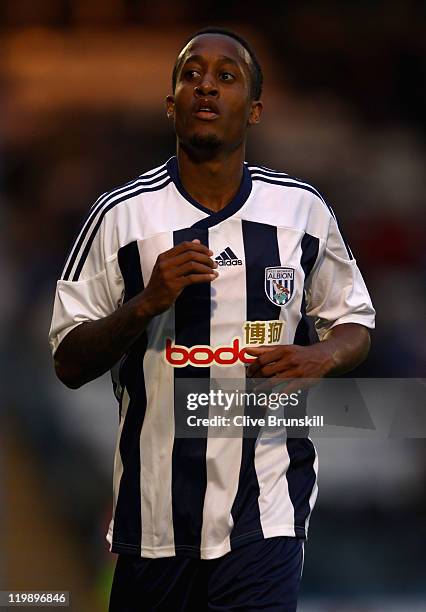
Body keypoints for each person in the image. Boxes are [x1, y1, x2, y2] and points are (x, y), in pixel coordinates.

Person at [49, 27, 375, 612]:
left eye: (226, 77)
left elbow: (355, 321)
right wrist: (145, 304)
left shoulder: (301, 211)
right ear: (171, 103)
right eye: (191, 74)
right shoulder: (120, 217)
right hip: (153, 523)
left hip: (267, 510)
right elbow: (68, 362)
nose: (206, 86)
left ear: (253, 110)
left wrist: (323, 355)